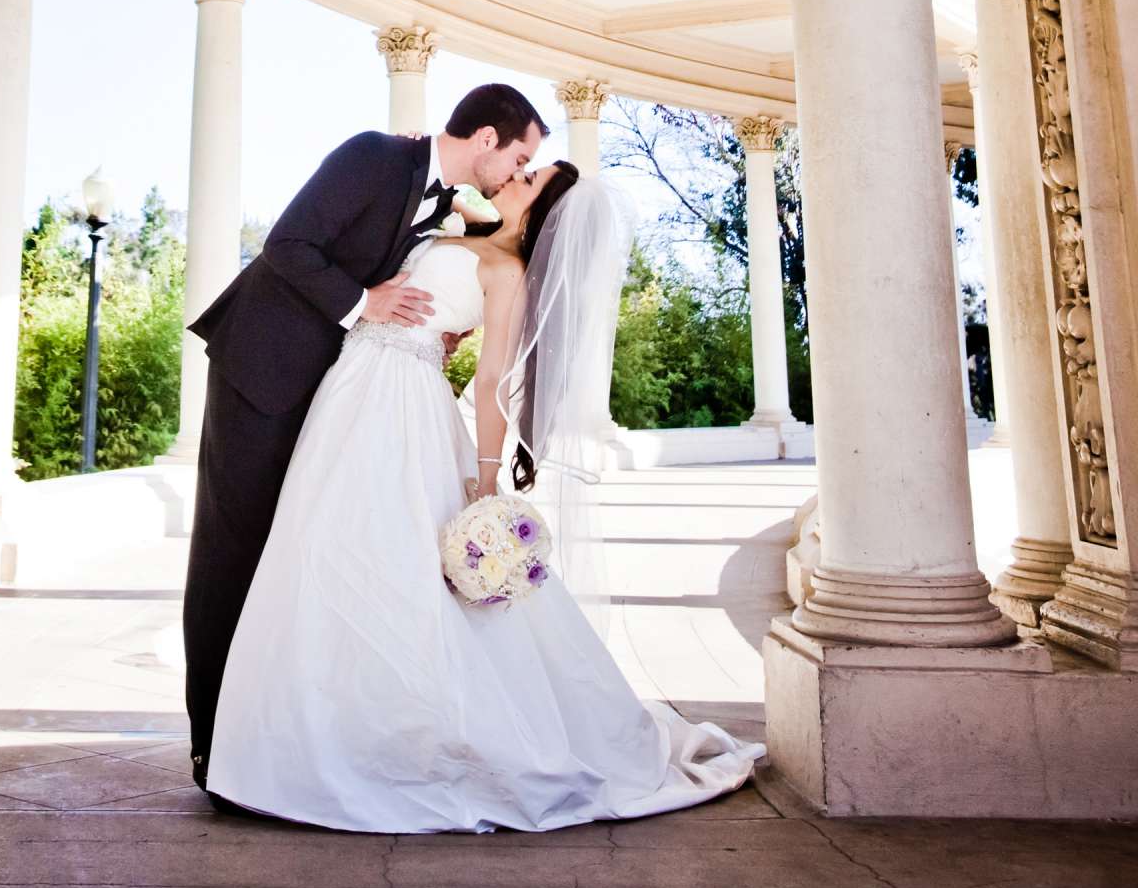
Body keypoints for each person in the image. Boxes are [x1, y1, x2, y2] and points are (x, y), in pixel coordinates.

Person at [205, 159, 762, 831]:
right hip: (348, 390)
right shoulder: (461, 226)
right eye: (520, 169)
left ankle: (388, 740)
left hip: (403, 404)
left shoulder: (508, 275)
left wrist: (486, 477)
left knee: (393, 557)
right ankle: (314, 735)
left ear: (541, 215)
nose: (512, 179)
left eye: (527, 181)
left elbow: (494, 377)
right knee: (322, 547)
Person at [182, 82, 548, 790]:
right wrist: (365, 303)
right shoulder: (376, 155)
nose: (515, 172)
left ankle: (273, 728)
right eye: (521, 156)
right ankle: (211, 742)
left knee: (292, 554)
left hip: (338, 393)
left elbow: (440, 280)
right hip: (264, 370)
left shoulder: (447, 204)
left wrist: (429, 327)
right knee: (233, 550)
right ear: (487, 140)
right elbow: (287, 244)